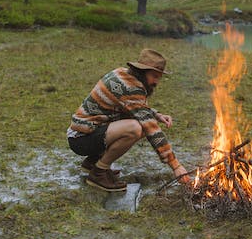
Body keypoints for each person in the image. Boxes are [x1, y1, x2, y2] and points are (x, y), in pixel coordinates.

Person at [67, 48, 191, 192]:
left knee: (140, 123)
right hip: (81, 139)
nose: (156, 81)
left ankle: (93, 162)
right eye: (154, 76)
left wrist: (156, 115)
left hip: (87, 132)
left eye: (159, 77)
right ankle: (99, 173)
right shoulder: (131, 87)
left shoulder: (123, 74)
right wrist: (175, 165)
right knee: (136, 128)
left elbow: (134, 106)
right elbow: (151, 128)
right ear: (142, 71)